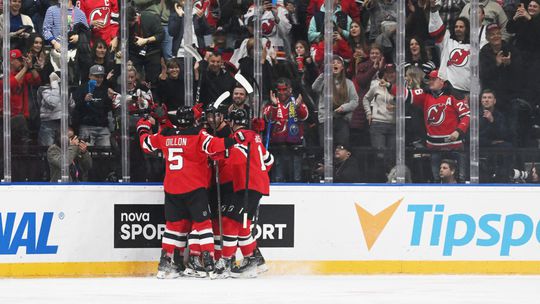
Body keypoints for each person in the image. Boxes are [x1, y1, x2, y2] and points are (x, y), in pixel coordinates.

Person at [136, 105, 237, 279]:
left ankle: (165, 264)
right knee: (204, 225)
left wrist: (143, 126)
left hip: (172, 188)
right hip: (194, 188)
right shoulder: (198, 135)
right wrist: (236, 139)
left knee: (172, 227)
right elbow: (216, 145)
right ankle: (210, 264)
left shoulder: (165, 134)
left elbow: (146, 144)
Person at [216, 108, 273, 279]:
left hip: (248, 186)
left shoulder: (240, 137)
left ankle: (226, 261)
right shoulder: (255, 137)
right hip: (253, 185)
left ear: (232, 123)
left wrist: (218, 151)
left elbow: (235, 151)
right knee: (242, 225)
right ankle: (253, 260)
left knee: (229, 221)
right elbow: (269, 160)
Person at [398, 69, 470, 182]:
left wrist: (458, 131)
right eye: (429, 79)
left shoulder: (454, 95)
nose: (430, 82)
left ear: (442, 81)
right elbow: (406, 95)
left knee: (461, 178)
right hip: (434, 146)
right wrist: (389, 85)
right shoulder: (425, 94)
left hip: (454, 145)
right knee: (436, 179)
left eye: (433, 79)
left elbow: (466, 116)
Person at [263, 77, 308, 182]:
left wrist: (298, 107)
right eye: (280, 90)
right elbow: (268, 118)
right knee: (278, 177)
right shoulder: (272, 103)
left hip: (296, 145)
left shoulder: (296, 102)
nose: (282, 92)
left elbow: (305, 116)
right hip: (277, 147)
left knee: (297, 178)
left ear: (290, 90)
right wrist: (274, 106)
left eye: (285, 89)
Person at [313, 55, 358, 147]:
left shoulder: (349, 83)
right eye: (332, 63)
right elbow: (315, 88)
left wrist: (344, 107)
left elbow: (355, 101)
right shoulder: (324, 81)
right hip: (325, 120)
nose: (335, 64)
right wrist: (324, 74)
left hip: (342, 120)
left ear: (342, 67)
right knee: (325, 148)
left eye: (338, 62)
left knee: (342, 147)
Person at [429, 0, 471, 95]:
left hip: (466, 90)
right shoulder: (447, 39)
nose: (458, 29)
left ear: (466, 28)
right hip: (448, 90)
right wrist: (433, 10)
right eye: (456, 27)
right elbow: (435, 30)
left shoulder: (473, 45)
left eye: (461, 27)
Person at [73, 64, 113, 147]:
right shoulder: (81, 89)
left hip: (103, 128)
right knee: (86, 154)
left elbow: (108, 110)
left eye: (101, 77)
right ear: (90, 76)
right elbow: (74, 108)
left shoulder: (106, 89)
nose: (99, 79)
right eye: (96, 76)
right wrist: (84, 100)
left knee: (106, 155)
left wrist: (109, 99)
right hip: (86, 127)